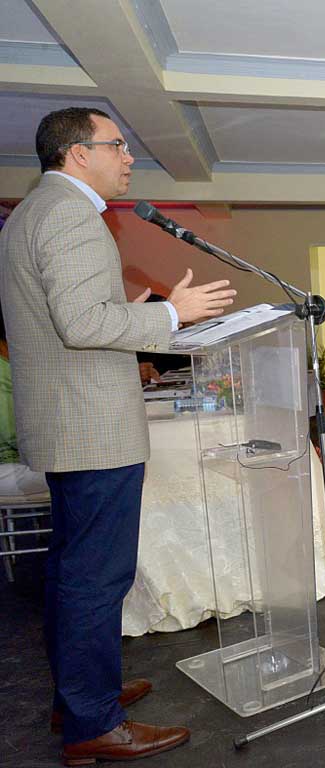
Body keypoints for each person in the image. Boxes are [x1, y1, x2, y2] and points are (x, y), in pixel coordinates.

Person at [0, 107, 237, 763]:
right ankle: (93, 724)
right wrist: (171, 314)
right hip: (91, 426)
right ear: (78, 153)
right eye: (117, 145)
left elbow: (68, 318)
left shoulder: (33, 211)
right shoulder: (71, 215)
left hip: (67, 420)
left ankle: (78, 695)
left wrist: (128, 315)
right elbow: (80, 325)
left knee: (72, 569)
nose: (129, 157)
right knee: (95, 578)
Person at [0, 305, 49, 496]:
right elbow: (12, 434)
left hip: (22, 462)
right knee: (80, 474)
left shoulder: (16, 365)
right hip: (8, 466)